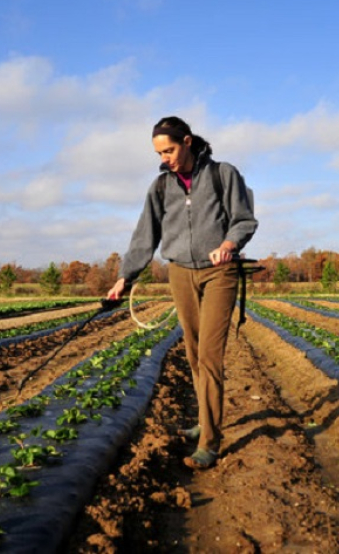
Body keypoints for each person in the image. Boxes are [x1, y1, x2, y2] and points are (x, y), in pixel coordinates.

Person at [107, 116, 258, 469]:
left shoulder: (223, 174)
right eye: (159, 153)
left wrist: (228, 243)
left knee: (208, 355)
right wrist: (124, 277)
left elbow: (244, 219)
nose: (165, 158)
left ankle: (210, 441)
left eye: (170, 150)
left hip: (219, 272)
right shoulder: (161, 187)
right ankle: (205, 420)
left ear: (187, 141)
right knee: (192, 353)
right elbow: (146, 235)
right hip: (180, 273)